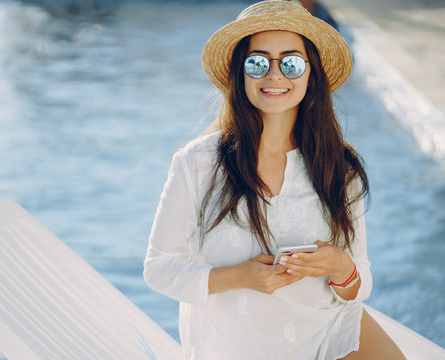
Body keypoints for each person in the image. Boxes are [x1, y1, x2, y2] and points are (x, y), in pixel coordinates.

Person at [143, 1, 406, 359]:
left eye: (292, 62)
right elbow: (158, 269)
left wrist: (341, 268)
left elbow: (359, 281)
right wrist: (239, 277)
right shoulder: (197, 163)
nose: (275, 75)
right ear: (241, 73)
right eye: (258, 62)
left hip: (327, 330)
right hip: (235, 345)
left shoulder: (339, 168)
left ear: (311, 74)